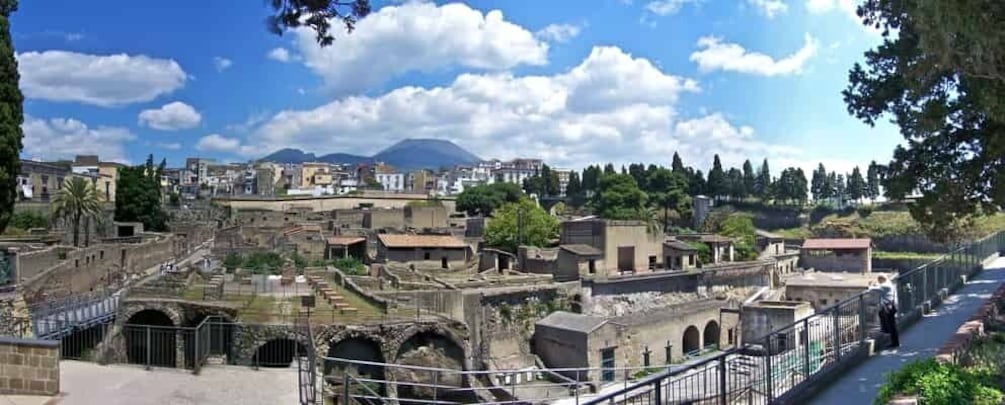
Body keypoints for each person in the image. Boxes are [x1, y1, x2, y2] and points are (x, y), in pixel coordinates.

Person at [869, 275, 900, 348]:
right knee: (885, 319)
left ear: (881, 279)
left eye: (879, 280)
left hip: (889, 307)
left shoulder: (886, 285)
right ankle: (891, 338)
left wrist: (870, 285)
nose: (879, 282)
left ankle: (894, 343)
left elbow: (873, 289)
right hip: (889, 306)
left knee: (891, 325)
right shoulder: (889, 284)